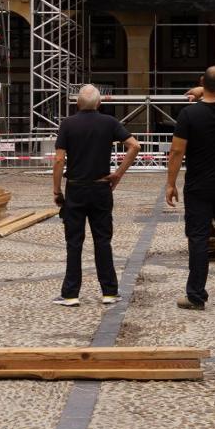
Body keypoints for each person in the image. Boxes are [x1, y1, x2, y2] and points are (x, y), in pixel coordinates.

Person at [165, 66, 215, 310]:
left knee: (198, 239)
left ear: (202, 82)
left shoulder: (189, 115)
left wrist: (170, 183)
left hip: (198, 185)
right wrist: (204, 89)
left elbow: (177, 151)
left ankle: (196, 295)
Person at [51, 85, 141, 307]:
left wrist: (56, 190)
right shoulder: (109, 122)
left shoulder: (68, 124)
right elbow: (134, 146)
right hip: (101, 188)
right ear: (99, 104)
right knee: (103, 240)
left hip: (76, 188)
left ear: (77, 104)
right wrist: (118, 174)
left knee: (74, 242)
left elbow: (59, 160)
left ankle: (71, 294)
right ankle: (109, 291)